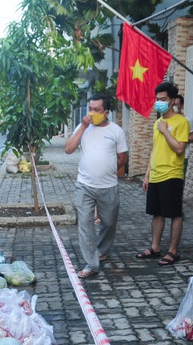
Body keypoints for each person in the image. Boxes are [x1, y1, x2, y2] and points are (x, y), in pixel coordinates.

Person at [64, 94, 128, 279]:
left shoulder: (116, 131)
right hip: (84, 185)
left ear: (106, 113)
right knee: (85, 224)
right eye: (90, 109)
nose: (91, 113)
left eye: (96, 110)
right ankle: (91, 263)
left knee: (109, 222)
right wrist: (83, 126)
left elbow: (122, 158)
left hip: (108, 186)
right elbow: (68, 149)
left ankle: (102, 249)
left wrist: (106, 169)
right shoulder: (83, 128)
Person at [136, 82, 189, 266]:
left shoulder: (181, 122)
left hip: (172, 174)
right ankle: (155, 247)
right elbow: (154, 149)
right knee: (156, 213)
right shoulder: (157, 122)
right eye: (157, 99)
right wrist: (147, 174)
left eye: (163, 99)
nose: (159, 102)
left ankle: (173, 251)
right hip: (156, 174)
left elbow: (180, 149)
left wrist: (166, 131)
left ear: (173, 100)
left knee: (174, 213)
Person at [172, 94, 193, 174]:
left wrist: (179, 138)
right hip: (167, 156)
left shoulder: (187, 120)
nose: (174, 107)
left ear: (182, 105)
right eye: (172, 104)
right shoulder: (166, 121)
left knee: (179, 183)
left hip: (182, 157)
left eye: (176, 104)